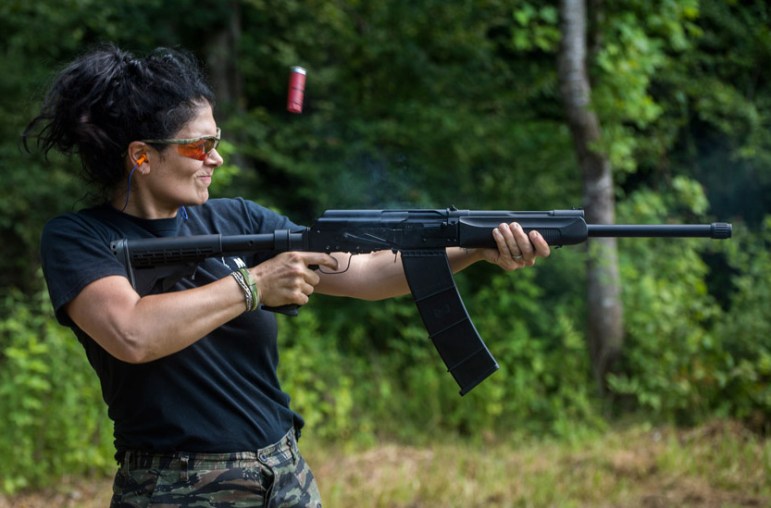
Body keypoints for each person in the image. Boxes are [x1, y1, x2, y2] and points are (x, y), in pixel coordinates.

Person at [24, 44, 550, 507]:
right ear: (141, 156)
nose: (217, 158)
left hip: (284, 476)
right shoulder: (80, 238)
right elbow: (131, 333)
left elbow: (365, 272)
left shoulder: (242, 220)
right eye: (199, 146)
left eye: (217, 141)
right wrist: (253, 286)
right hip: (175, 489)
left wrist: (474, 248)